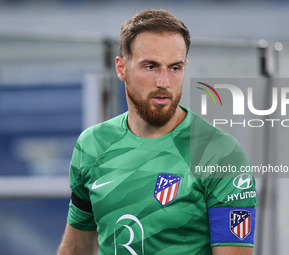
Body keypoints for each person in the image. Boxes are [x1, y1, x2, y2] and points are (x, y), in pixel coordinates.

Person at [57, 9, 257, 255]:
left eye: (174, 68)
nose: (164, 82)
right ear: (121, 68)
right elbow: (77, 247)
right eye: (150, 66)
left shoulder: (220, 153)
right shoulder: (92, 144)